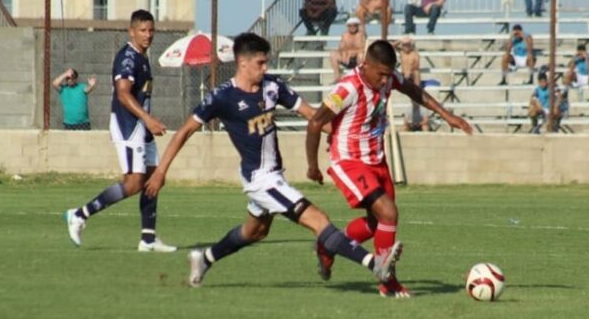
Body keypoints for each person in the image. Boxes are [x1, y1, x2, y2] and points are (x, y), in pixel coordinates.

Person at [144, 32, 402, 289]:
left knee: (254, 232)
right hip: (261, 180)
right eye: (260, 63)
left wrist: (339, 136)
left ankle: (204, 258)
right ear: (242, 63)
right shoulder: (222, 97)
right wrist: (160, 171)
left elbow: (312, 115)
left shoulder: (272, 86)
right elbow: (185, 131)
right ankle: (375, 265)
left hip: (275, 175)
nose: (265, 68)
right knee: (319, 220)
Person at [305, 40, 474, 298]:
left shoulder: (388, 77)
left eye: (388, 74)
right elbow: (316, 123)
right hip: (349, 160)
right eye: (381, 74)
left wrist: (446, 114)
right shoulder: (348, 88)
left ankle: (328, 246)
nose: (386, 81)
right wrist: (312, 166)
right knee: (388, 212)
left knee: (378, 223)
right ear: (366, 65)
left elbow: (415, 91)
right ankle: (387, 281)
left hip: (377, 160)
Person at [64, 9, 176, 253]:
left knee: (155, 177)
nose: (148, 35)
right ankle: (80, 214)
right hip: (129, 125)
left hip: (141, 126)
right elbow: (123, 94)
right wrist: (148, 119)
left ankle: (148, 239)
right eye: (143, 30)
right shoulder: (127, 57)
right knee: (135, 182)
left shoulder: (142, 57)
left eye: (151, 30)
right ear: (131, 31)